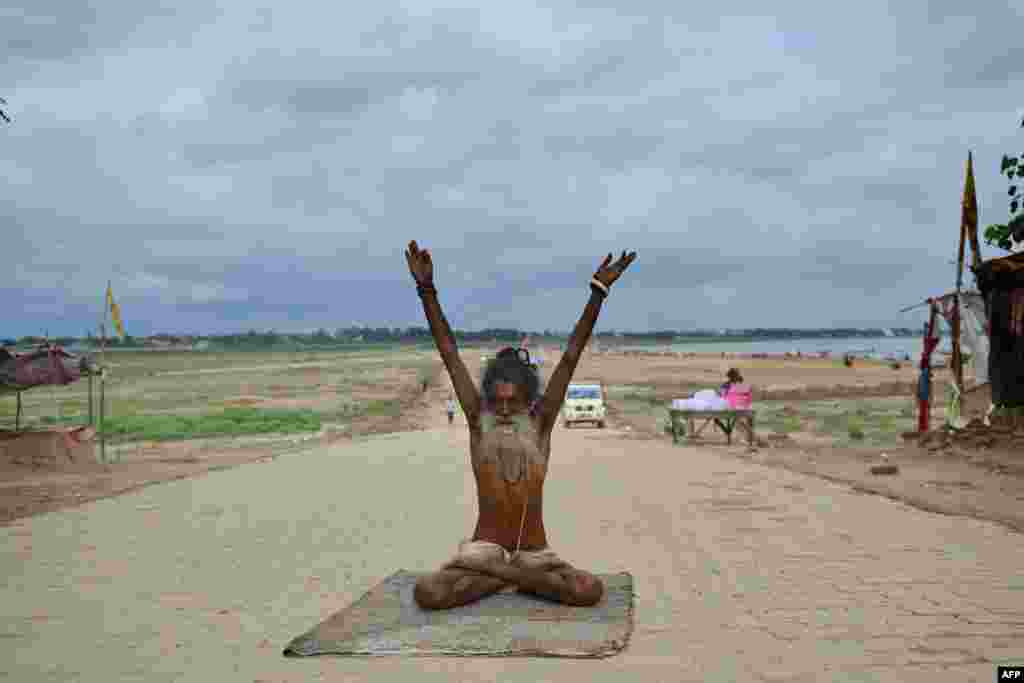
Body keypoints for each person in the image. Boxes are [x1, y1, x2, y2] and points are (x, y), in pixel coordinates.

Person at [404, 240, 637, 610]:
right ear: (488, 399)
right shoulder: (479, 420)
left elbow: (571, 355)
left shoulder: (540, 423)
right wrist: (426, 290)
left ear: (529, 400)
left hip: (536, 553)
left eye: (514, 401)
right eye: (498, 401)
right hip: (483, 552)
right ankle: (516, 580)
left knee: (588, 590)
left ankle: (506, 578)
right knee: (428, 593)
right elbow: (449, 352)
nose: (506, 408)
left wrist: (598, 293)